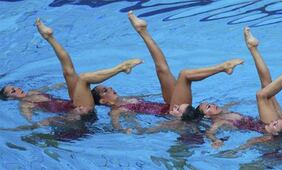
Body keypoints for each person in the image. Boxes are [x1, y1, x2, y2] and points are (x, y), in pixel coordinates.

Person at [91, 11, 243, 132]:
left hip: (168, 103)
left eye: (108, 87)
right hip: (173, 112)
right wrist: (127, 129)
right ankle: (223, 67)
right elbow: (117, 125)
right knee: (184, 75)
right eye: (105, 90)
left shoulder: (128, 98)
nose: (110, 88)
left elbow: (150, 97)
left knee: (162, 69)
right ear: (104, 101)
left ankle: (142, 30)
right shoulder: (117, 110)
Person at [0, 18, 142, 124]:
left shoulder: (33, 92)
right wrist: (63, 119)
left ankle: (49, 37)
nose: (17, 89)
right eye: (13, 91)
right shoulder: (24, 104)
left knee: (68, 71)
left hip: (72, 102)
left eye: (15, 87)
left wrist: (62, 85)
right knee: (84, 79)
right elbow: (32, 122)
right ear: (9, 99)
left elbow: (52, 88)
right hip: (79, 111)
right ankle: (121, 68)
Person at [197, 27, 282, 148]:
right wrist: (214, 140)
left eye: (210, 103)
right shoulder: (217, 122)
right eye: (208, 107)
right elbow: (209, 133)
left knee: (267, 86)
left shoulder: (225, 109)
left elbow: (240, 102)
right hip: (268, 125)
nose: (213, 105)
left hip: (277, 121)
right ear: (206, 116)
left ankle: (253, 48)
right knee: (261, 96)